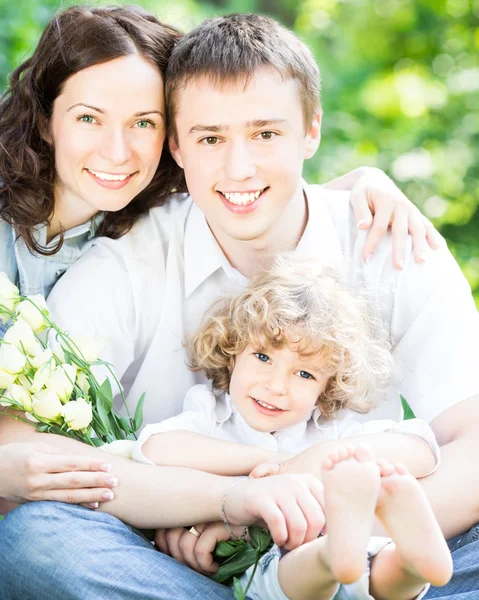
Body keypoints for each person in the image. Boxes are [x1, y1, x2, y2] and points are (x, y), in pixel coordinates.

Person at [0, 9, 476, 600]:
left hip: (365, 551)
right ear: (177, 146)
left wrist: (308, 535)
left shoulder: (391, 242)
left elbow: (472, 441)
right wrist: (224, 509)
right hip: (174, 561)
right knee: (35, 541)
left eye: (266, 133)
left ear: (312, 131)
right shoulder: (123, 260)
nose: (239, 168)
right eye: (210, 138)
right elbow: (25, 447)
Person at [135, 253, 452, 599]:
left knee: (373, 574)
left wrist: (322, 459)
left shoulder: (327, 430)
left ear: (327, 386)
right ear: (232, 349)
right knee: (297, 570)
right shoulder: (212, 413)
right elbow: (154, 447)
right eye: (263, 357)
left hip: (343, 546)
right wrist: (268, 462)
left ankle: (412, 562)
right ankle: (349, 559)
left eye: (305, 373)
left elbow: (422, 448)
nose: (277, 386)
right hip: (275, 558)